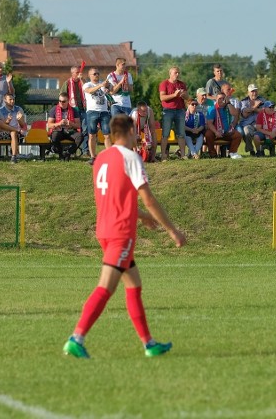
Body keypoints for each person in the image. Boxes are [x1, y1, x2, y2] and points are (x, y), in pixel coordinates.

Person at [63, 115, 186, 359]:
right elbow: (148, 198)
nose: (137, 136)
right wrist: (173, 230)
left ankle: (149, 344)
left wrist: (141, 217)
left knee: (134, 286)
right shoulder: (130, 157)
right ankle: (76, 338)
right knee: (105, 287)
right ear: (129, 131)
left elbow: (115, 199)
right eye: (135, 132)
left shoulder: (101, 158)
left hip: (105, 229)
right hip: (120, 233)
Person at [83, 68, 113, 165]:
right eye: (94, 74)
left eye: (98, 73)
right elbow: (89, 91)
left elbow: (111, 91)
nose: (96, 75)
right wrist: (100, 85)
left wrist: (109, 85)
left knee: (107, 135)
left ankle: (109, 156)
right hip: (92, 112)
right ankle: (93, 157)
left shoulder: (103, 84)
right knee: (92, 135)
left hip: (104, 111)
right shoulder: (87, 84)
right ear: (89, 75)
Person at [158, 66, 188, 160]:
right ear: (170, 74)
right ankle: (163, 155)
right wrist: (174, 95)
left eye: (178, 72)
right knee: (165, 134)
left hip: (180, 110)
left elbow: (187, 97)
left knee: (181, 134)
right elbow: (162, 98)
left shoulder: (182, 84)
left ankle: (183, 155)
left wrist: (183, 95)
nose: (177, 74)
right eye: (175, 73)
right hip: (168, 111)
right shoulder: (164, 84)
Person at [204, 91, 242, 159]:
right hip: (215, 132)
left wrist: (228, 103)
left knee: (238, 135)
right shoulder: (212, 109)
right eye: (220, 98)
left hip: (227, 131)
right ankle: (213, 154)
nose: (221, 100)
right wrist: (216, 132)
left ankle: (232, 153)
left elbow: (235, 113)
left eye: (223, 98)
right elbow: (209, 123)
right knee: (208, 134)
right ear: (216, 99)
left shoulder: (228, 107)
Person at [47, 94, 83, 161]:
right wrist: (59, 123)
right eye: (60, 101)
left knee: (80, 136)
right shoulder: (54, 110)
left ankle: (68, 153)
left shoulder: (74, 110)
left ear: (68, 101)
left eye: (63, 101)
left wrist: (71, 123)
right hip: (59, 131)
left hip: (70, 131)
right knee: (54, 136)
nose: (61, 103)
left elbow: (78, 125)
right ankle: (61, 154)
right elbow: (49, 125)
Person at [62, 66, 88, 154]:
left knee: (85, 129)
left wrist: (83, 80)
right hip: (72, 110)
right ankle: (71, 149)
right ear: (72, 73)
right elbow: (62, 95)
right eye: (77, 72)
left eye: (80, 72)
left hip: (83, 108)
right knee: (73, 129)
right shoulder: (67, 83)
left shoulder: (83, 82)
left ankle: (85, 150)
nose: (79, 74)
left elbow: (89, 90)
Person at [0, 93, 28, 163]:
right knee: (1, 124)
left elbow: (23, 125)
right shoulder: (0, 110)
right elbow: (1, 126)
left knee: (13, 133)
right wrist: (7, 121)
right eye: (10, 99)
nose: (12, 101)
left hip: (17, 133)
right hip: (5, 132)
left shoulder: (19, 109)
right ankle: (14, 155)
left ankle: (14, 156)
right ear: (5, 100)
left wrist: (20, 120)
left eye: (13, 99)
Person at [238, 84, 265, 153]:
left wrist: (250, 109)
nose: (254, 93)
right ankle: (251, 150)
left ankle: (261, 150)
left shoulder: (262, 99)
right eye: (252, 91)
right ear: (248, 92)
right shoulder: (244, 101)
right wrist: (255, 106)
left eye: (255, 91)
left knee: (266, 129)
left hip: (260, 123)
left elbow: (264, 111)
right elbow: (244, 114)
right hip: (247, 124)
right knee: (246, 130)